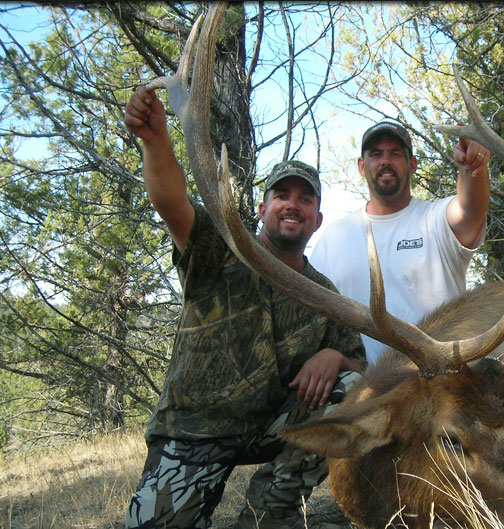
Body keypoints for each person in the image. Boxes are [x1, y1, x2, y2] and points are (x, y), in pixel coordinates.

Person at [123, 86, 365, 529]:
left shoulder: (325, 293)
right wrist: (155, 140)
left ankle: (271, 511)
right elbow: (172, 203)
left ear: (317, 218)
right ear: (263, 208)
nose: (293, 204)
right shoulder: (221, 250)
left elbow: (361, 368)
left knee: (349, 388)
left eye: (305, 199)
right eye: (282, 195)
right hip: (193, 433)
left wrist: (334, 356)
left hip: (270, 427)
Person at [310, 121, 491, 364]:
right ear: (362, 167)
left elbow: (470, 209)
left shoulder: (436, 220)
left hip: (443, 386)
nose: (385, 161)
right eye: (376, 154)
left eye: (395, 154)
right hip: (368, 390)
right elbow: (313, 316)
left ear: (412, 165)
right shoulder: (334, 238)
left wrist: (472, 168)